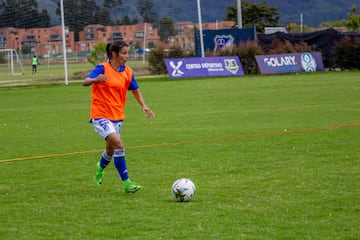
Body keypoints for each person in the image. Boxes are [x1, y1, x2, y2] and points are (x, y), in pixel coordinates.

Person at [83, 40, 155, 193]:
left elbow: (135, 89)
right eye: (124, 53)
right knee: (119, 145)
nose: (127, 56)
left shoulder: (127, 71)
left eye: (127, 53)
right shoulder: (102, 68)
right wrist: (95, 79)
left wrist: (144, 105)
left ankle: (100, 166)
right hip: (100, 115)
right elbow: (86, 81)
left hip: (117, 116)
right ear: (114, 54)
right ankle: (127, 183)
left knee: (110, 151)